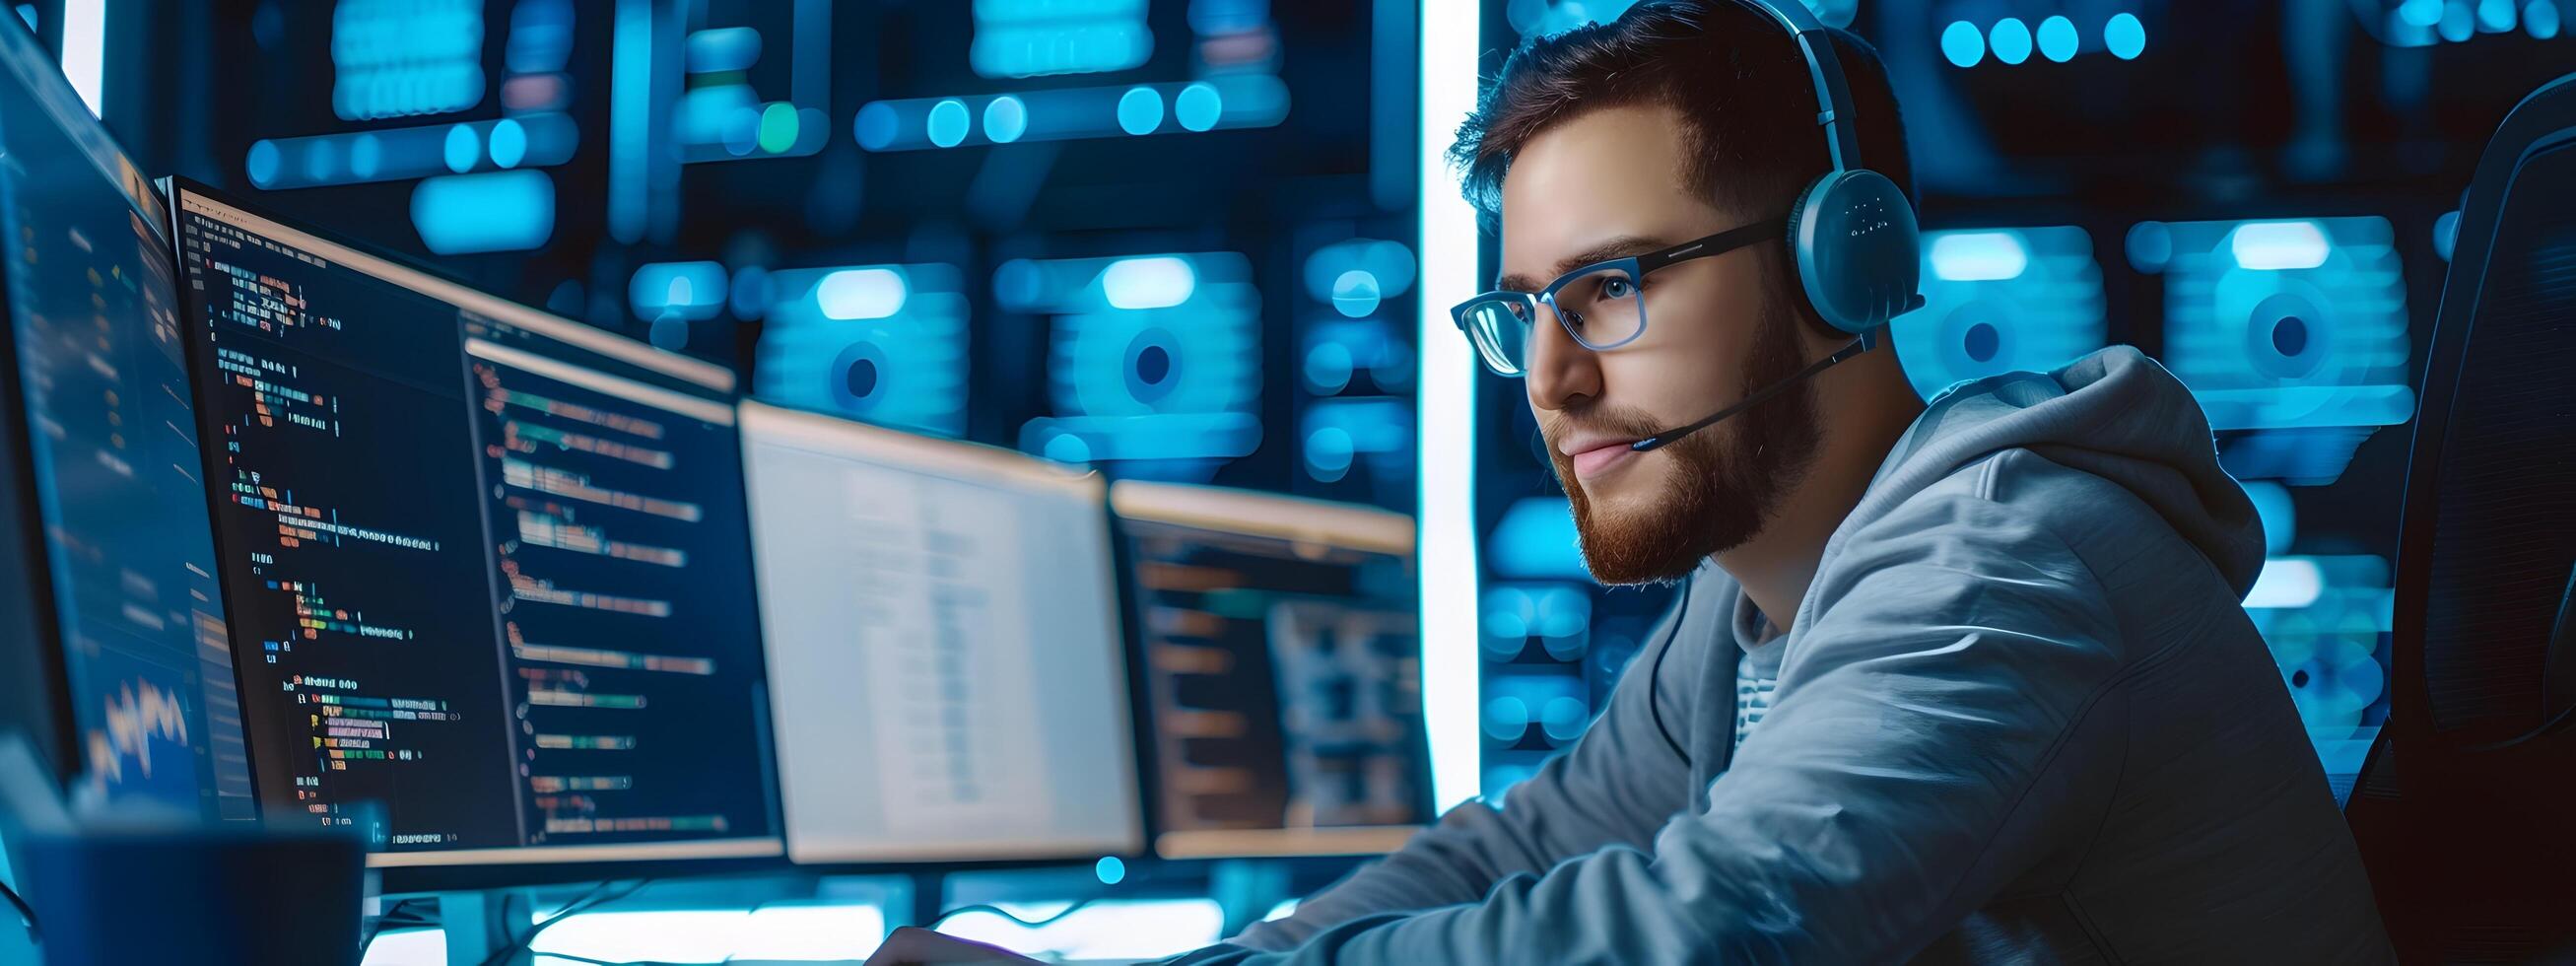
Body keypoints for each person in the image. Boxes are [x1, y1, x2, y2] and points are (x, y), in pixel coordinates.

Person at [871, 1, 2393, 962]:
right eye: (1519, 310)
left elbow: (1721, 923)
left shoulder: (2005, 567)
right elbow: (1525, 847)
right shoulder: (1753, 603)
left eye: (1608, 289)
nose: (1547, 383)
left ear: (1838, 259)